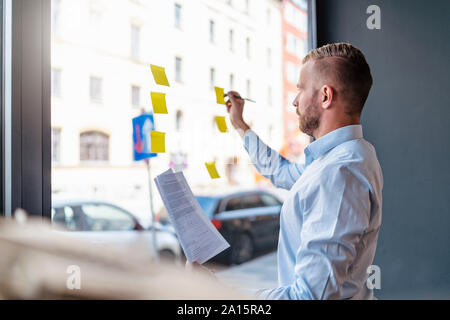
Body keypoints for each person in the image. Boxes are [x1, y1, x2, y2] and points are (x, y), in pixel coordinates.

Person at [222, 43, 383, 300]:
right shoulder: (351, 154)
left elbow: (309, 296)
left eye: (300, 89)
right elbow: (282, 172)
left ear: (325, 96)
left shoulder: (339, 174)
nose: (294, 101)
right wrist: (241, 125)